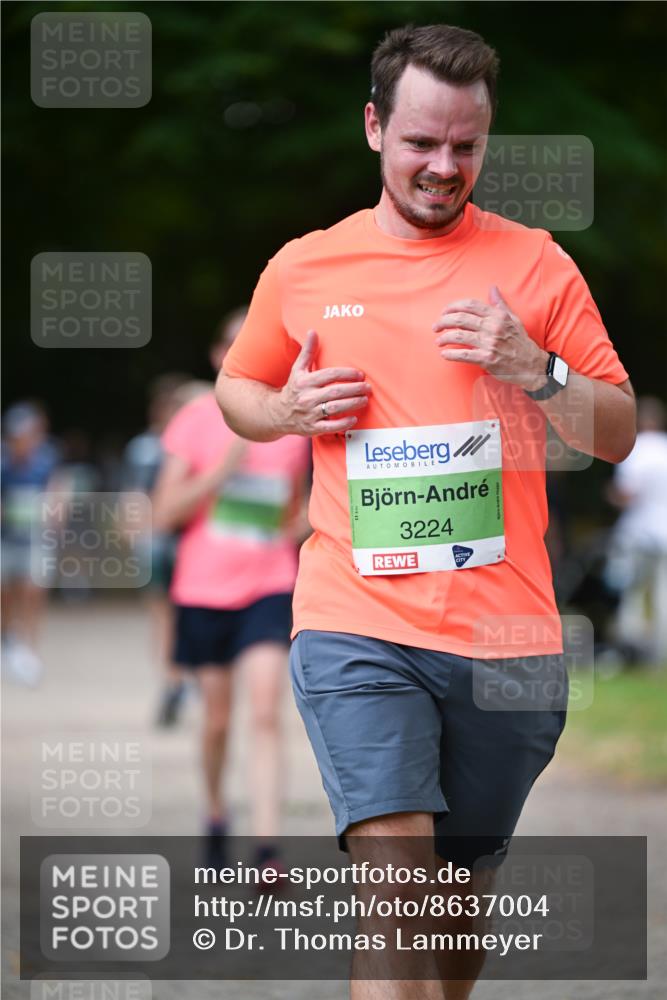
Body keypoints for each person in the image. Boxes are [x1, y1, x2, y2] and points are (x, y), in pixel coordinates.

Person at [216, 24, 635, 999]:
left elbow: (614, 429)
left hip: (505, 639)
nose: (443, 166)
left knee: (451, 916)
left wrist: (535, 367)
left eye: (465, 145)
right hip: (355, 623)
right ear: (374, 127)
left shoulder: (535, 264)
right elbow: (239, 390)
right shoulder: (306, 265)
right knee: (396, 894)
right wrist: (286, 411)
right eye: (420, 142)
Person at [152, 309, 310, 870]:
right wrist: (222, 471)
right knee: (218, 720)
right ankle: (216, 812)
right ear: (220, 356)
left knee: (265, 713)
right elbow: (163, 513)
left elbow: (296, 510)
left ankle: (267, 849)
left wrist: (302, 524)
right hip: (203, 590)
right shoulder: (195, 418)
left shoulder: (292, 420)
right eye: (235, 343)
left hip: (269, 585)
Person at [123, 373, 191, 726]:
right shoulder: (150, 448)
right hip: (165, 539)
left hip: (176, 540)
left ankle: (175, 678)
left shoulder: (150, 446)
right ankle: (173, 679)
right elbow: (135, 496)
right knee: (167, 615)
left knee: (171, 616)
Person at [1, 402, 61, 685]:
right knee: (5, 594)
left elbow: (56, 492)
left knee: (33, 592)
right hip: (6, 538)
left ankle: (30, 649)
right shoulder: (3, 462)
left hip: (36, 538)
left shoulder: (47, 459)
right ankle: (8, 641)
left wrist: (54, 512)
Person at [605, 396, 667, 664]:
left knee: (632, 593)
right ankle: (661, 654)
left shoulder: (636, 449)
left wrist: (611, 495)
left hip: (639, 532)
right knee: (662, 595)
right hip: (664, 532)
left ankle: (630, 652)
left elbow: (626, 494)